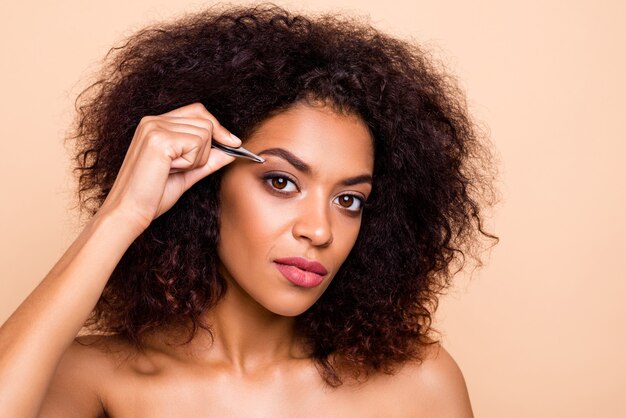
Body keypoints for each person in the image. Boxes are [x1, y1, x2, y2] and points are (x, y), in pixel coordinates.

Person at [0, 4, 496, 416]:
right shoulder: (98, 379)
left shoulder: (419, 385)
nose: (319, 231)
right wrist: (123, 214)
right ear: (208, 184)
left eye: (349, 200)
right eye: (281, 182)